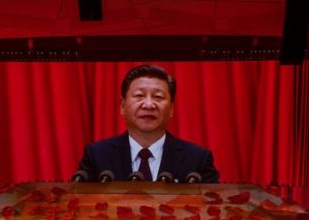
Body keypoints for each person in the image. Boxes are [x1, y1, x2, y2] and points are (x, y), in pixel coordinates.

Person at [76, 64, 219, 183]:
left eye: (158, 97)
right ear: (122, 106)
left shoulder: (197, 159)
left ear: (171, 109)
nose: (149, 105)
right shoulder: (97, 156)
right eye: (139, 95)